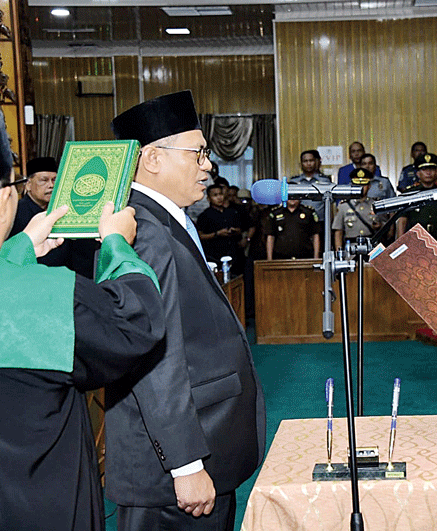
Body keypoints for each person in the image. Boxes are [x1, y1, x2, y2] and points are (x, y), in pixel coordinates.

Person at [0, 105, 166, 531]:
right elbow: (134, 326)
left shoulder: (21, 280)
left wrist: (20, 249)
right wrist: (118, 244)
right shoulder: (47, 296)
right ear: (5, 200)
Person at [109, 90, 266, 530]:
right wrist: (185, 465)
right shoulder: (144, 230)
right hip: (176, 468)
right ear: (153, 159)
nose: (209, 165)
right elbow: (152, 356)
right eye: (198, 153)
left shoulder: (167, 219)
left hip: (204, 444)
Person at [396, 153, 437, 254]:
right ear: (418, 173)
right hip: (415, 244)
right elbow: (402, 221)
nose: (428, 173)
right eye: (424, 169)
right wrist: (400, 246)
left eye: (432, 169)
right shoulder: (409, 194)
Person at [332, 168, 388, 249]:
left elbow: (386, 227)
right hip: (351, 248)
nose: (361, 188)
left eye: (363, 185)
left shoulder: (377, 204)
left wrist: (380, 226)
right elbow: (338, 232)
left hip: (372, 247)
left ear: (369, 186)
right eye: (357, 185)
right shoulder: (344, 206)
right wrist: (339, 253)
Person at [196, 183, 243, 270]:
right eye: (215, 195)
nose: (219, 198)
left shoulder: (232, 212)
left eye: (220, 194)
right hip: (214, 256)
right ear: (208, 198)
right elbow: (200, 236)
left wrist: (234, 231)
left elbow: (241, 229)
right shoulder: (205, 215)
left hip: (234, 255)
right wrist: (217, 234)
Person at [288, 149, 332, 223]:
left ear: (316, 162)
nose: (308, 163)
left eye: (311, 160)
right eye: (305, 161)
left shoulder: (324, 181)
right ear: (301, 164)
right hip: (300, 222)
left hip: (320, 221)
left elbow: (329, 203)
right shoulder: (294, 181)